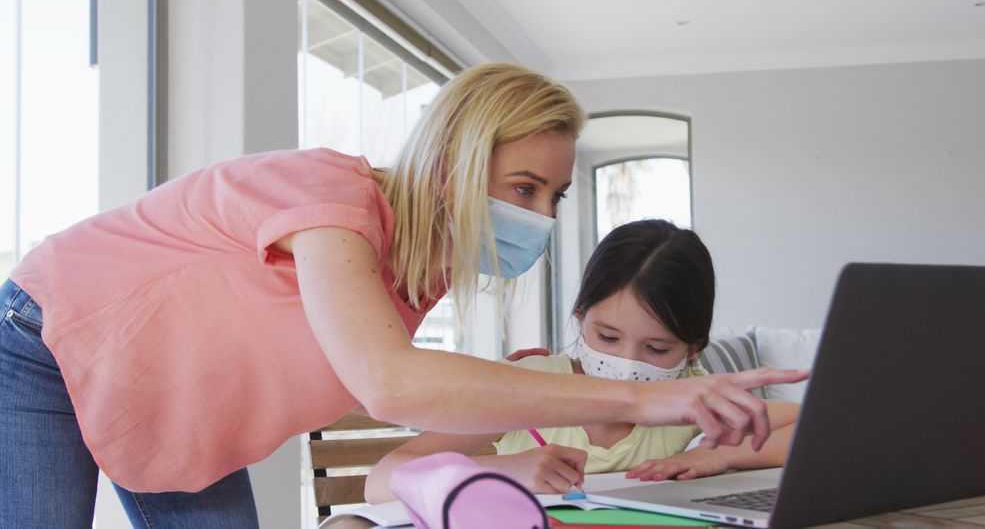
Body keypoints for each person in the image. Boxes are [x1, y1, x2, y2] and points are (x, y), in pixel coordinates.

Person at [0, 63, 807, 528]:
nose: (540, 218)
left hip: (177, 402)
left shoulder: (414, 277)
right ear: (451, 158)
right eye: (523, 187)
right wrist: (647, 402)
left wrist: (521, 456)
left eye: (554, 197)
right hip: (48, 342)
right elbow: (391, 383)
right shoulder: (327, 200)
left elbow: (422, 397)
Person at [364, 219, 800, 503]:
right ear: (579, 317)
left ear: (693, 349)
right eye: (607, 337)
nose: (626, 364)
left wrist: (723, 457)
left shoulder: (687, 395)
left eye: (657, 349)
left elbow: (820, 426)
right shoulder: (525, 386)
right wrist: (508, 470)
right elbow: (382, 482)